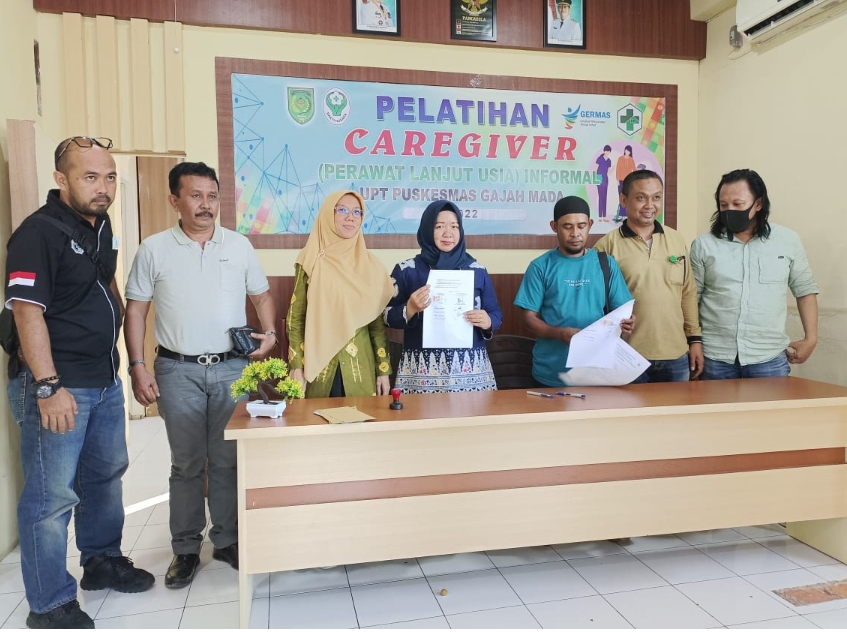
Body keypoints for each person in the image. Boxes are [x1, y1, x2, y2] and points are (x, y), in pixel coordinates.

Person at [5, 136, 154, 629]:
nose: (103, 187)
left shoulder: (100, 226)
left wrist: (123, 354)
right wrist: (48, 386)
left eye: (109, 177)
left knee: (104, 477)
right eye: (90, 177)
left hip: (102, 379)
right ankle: (48, 604)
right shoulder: (36, 233)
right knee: (51, 499)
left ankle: (102, 561)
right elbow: (26, 312)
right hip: (58, 384)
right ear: (61, 179)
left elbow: (104, 282)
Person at [124, 162, 277, 589]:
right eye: (195, 196)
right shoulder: (154, 249)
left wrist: (269, 334)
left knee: (227, 459)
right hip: (177, 369)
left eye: (212, 196)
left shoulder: (239, 245)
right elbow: (136, 311)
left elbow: (262, 295)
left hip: (232, 367)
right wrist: (137, 366)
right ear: (175, 200)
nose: (205, 205)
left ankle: (226, 540)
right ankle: (186, 548)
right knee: (187, 463)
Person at [691, 168, 819, 379]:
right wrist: (692, 342)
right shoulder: (703, 245)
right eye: (723, 205)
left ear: (758, 204)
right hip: (714, 357)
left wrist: (811, 338)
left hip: (768, 358)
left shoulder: (788, 241)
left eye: (738, 204)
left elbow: (805, 290)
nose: (729, 210)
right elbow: (691, 298)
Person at [595, 170, 703, 383]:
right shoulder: (606, 246)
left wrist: (695, 340)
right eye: (641, 198)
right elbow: (596, 303)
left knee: (677, 407)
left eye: (656, 197)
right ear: (624, 200)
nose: (650, 205)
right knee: (628, 407)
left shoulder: (676, 239)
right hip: (626, 355)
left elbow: (688, 292)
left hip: (676, 354)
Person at [515, 196, 635, 387]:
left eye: (581, 226)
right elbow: (529, 319)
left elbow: (622, 311)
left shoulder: (606, 264)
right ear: (554, 227)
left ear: (590, 225)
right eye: (567, 226)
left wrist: (627, 322)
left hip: (597, 371)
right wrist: (559, 334)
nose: (575, 233)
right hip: (552, 373)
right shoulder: (540, 267)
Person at [384, 200, 502, 393]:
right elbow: (385, 316)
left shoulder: (477, 270)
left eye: (454, 226)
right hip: (421, 369)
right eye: (439, 226)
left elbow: (496, 313)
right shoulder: (407, 270)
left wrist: (488, 321)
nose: (448, 233)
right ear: (427, 229)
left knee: (473, 413)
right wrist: (410, 309)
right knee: (421, 413)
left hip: (470, 369)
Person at [287, 190, 394, 397]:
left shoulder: (370, 266)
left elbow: (376, 324)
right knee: (317, 417)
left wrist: (383, 370)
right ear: (329, 213)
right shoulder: (310, 259)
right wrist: (296, 365)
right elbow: (296, 318)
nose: (350, 217)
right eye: (343, 210)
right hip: (318, 368)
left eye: (357, 212)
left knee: (360, 417)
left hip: (358, 368)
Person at [615, 145, 637, 216]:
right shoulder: (620, 159)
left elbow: (634, 170)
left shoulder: (631, 159)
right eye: (626, 150)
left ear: (630, 152)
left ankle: (627, 213)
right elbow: (618, 169)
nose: (627, 152)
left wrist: (634, 179)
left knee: (628, 196)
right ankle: (621, 213)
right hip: (621, 180)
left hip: (628, 181)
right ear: (624, 150)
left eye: (628, 151)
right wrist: (617, 180)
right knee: (621, 196)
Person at [594, 145, 612, 221]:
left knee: (604, 197)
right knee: (600, 197)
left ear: (610, 152)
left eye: (608, 151)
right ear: (604, 151)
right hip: (599, 178)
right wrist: (596, 179)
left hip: (605, 179)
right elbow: (595, 168)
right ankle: (600, 216)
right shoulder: (599, 158)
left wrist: (613, 168)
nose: (607, 152)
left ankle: (604, 216)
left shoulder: (609, 161)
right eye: (606, 151)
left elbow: (609, 172)